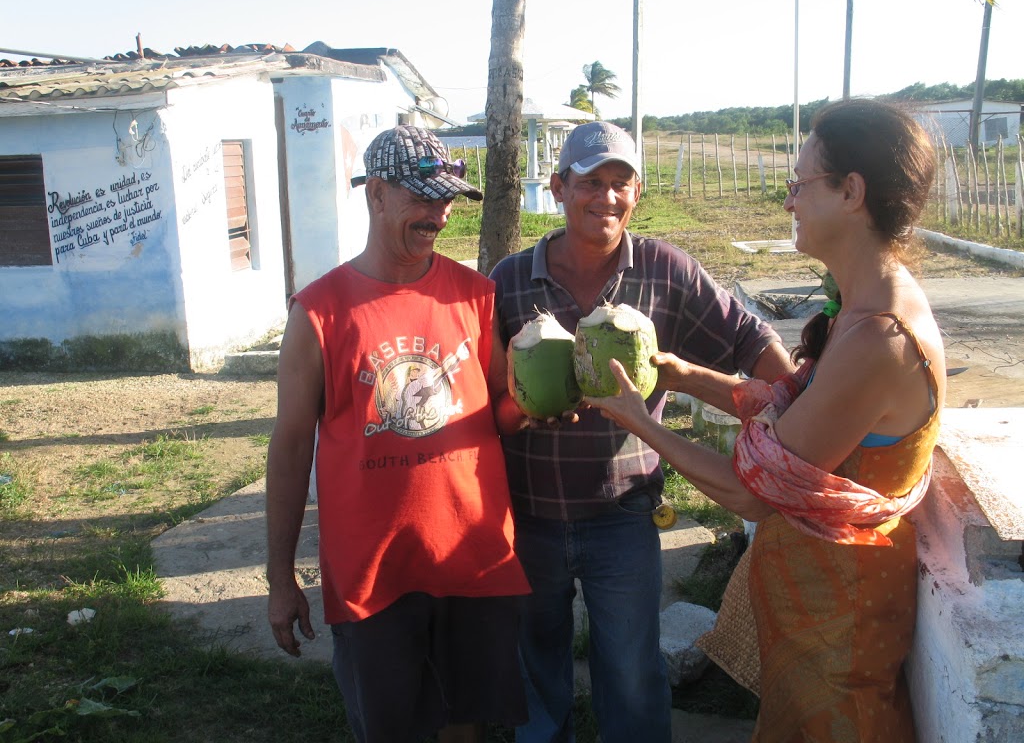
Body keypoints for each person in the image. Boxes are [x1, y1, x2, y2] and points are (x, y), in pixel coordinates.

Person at [586, 98, 945, 741]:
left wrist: (641, 422)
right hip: (816, 613)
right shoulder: (858, 310)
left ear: (851, 192)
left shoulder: (881, 337)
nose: (788, 202)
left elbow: (754, 492)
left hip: (843, 628)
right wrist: (682, 374)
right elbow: (787, 410)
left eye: (799, 184)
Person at [488, 120, 793, 742]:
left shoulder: (665, 270)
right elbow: (488, 396)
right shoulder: (509, 280)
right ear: (558, 188)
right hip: (529, 514)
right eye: (590, 182)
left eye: (620, 183)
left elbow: (750, 338)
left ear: (637, 193)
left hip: (623, 514)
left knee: (630, 674)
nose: (606, 197)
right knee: (535, 669)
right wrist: (521, 409)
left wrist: (798, 405)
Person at [266, 125, 532, 743]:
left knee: (465, 723)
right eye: (422, 198)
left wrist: (534, 408)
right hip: (373, 572)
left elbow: (500, 408)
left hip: (472, 556)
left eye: (446, 201)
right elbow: (290, 449)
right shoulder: (319, 313)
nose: (438, 215)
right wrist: (281, 579)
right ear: (376, 194)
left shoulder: (475, 296)